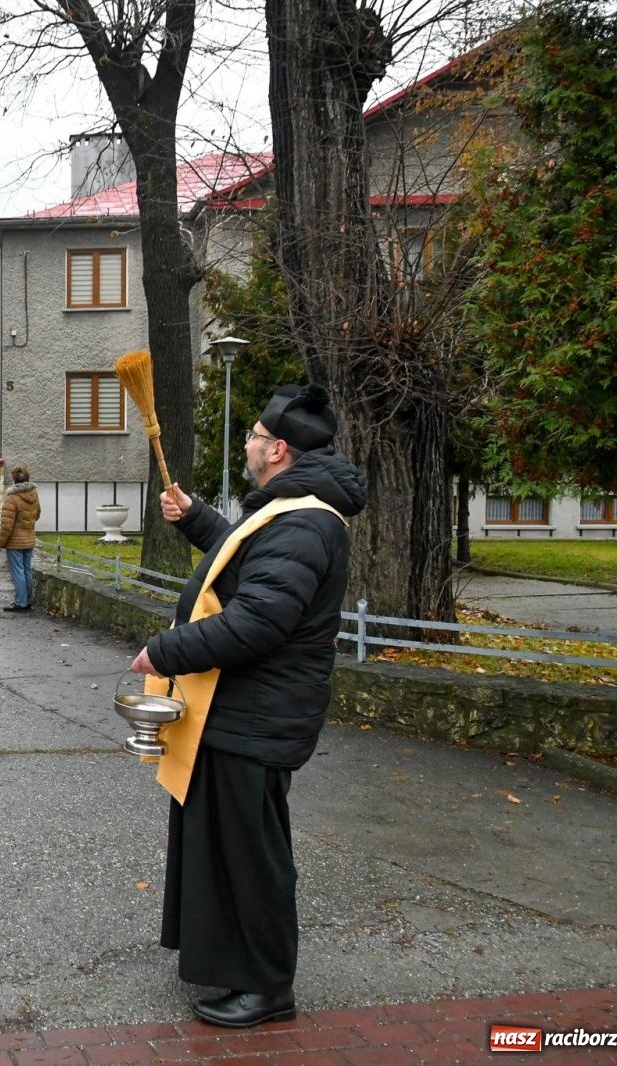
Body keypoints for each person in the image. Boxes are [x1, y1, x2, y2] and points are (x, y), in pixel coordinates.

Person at [128, 383, 366, 1029]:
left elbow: (259, 620)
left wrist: (166, 651)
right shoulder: (293, 509)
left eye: (257, 437)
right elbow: (254, 560)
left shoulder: (307, 519)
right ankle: (228, 961)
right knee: (225, 845)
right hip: (238, 713)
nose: (251, 444)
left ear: (280, 449)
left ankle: (266, 987)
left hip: (255, 717)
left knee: (252, 856)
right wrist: (199, 520)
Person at [0, 464, 40, 611]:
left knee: (18, 572)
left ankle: (21, 603)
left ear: (14, 480)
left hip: (15, 542)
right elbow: (37, 515)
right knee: (26, 570)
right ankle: (27, 600)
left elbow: (7, 526)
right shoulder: (34, 495)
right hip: (29, 539)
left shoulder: (12, 499)